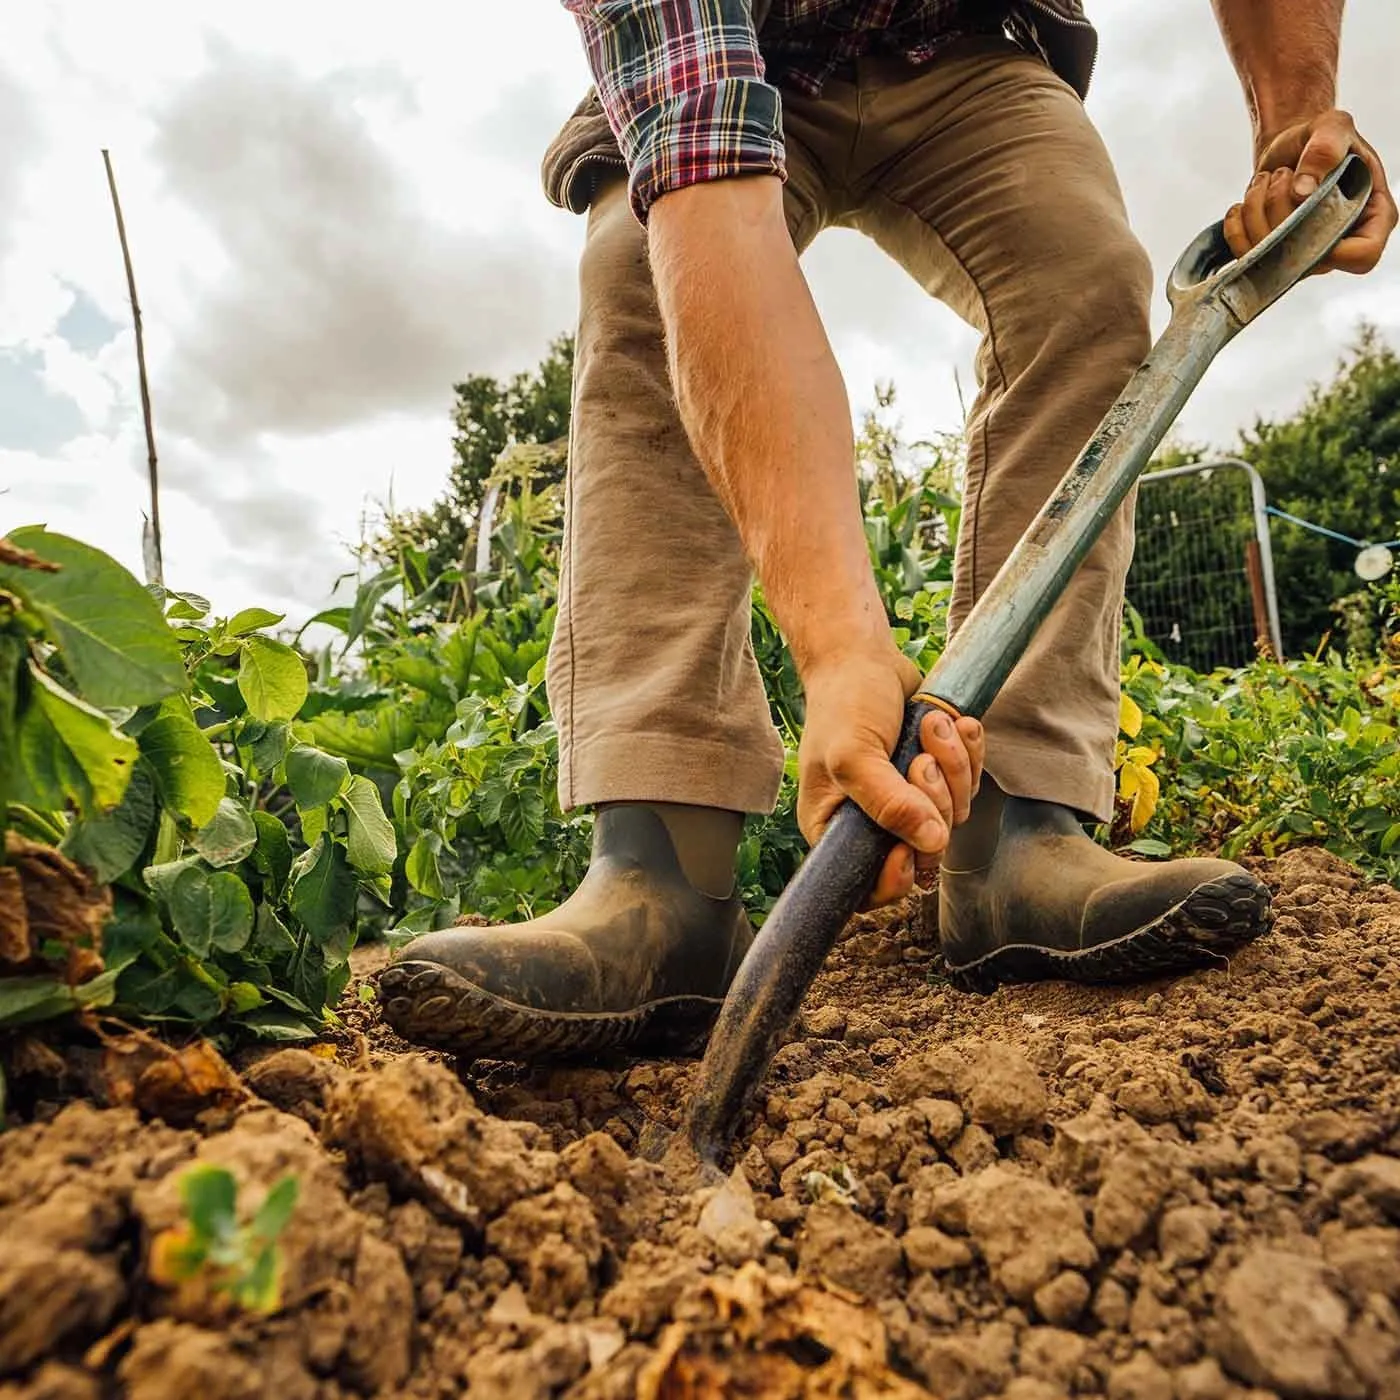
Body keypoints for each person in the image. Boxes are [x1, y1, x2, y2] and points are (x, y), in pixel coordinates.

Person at [379, 0, 1395, 1058]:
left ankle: (1020, 833)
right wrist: (840, 652)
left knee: (1079, 275)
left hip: (965, 37)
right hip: (739, 55)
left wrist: (1294, 122)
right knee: (642, 274)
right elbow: (706, 206)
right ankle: (662, 877)